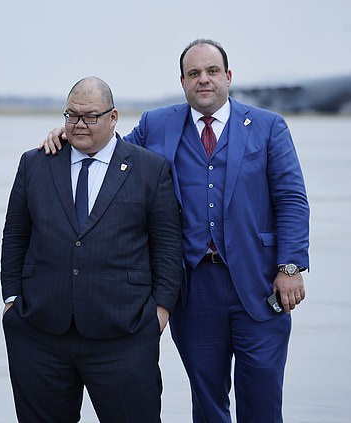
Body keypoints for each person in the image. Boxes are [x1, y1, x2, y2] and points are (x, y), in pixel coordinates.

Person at [43, 40, 310, 423]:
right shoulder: (157, 123)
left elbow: (291, 200)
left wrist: (290, 267)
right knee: (207, 398)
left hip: (260, 283)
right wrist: (72, 133)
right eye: (194, 74)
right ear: (183, 81)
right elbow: (112, 154)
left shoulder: (268, 126)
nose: (204, 80)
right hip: (193, 287)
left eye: (212, 72)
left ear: (228, 77)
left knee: (263, 398)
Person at [2, 76, 182, 423]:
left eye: (90, 116)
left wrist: (158, 315)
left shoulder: (149, 169)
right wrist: (12, 301)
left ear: (113, 118)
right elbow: (15, 236)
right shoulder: (36, 163)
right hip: (40, 333)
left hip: (123, 334)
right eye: (71, 115)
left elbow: (167, 248)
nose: (78, 125)